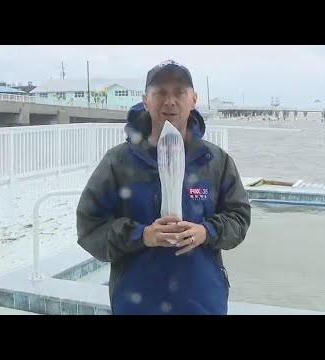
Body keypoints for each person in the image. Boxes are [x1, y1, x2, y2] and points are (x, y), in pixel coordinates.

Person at [76, 59, 251, 315]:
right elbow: (89, 226)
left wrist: (206, 231)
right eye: (160, 93)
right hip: (137, 304)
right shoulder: (119, 162)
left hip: (202, 303)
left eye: (179, 92)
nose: (170, 101)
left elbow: (240, 218)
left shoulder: (215, 161)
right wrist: (142, 235)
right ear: (146, 99)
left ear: (193, 99)